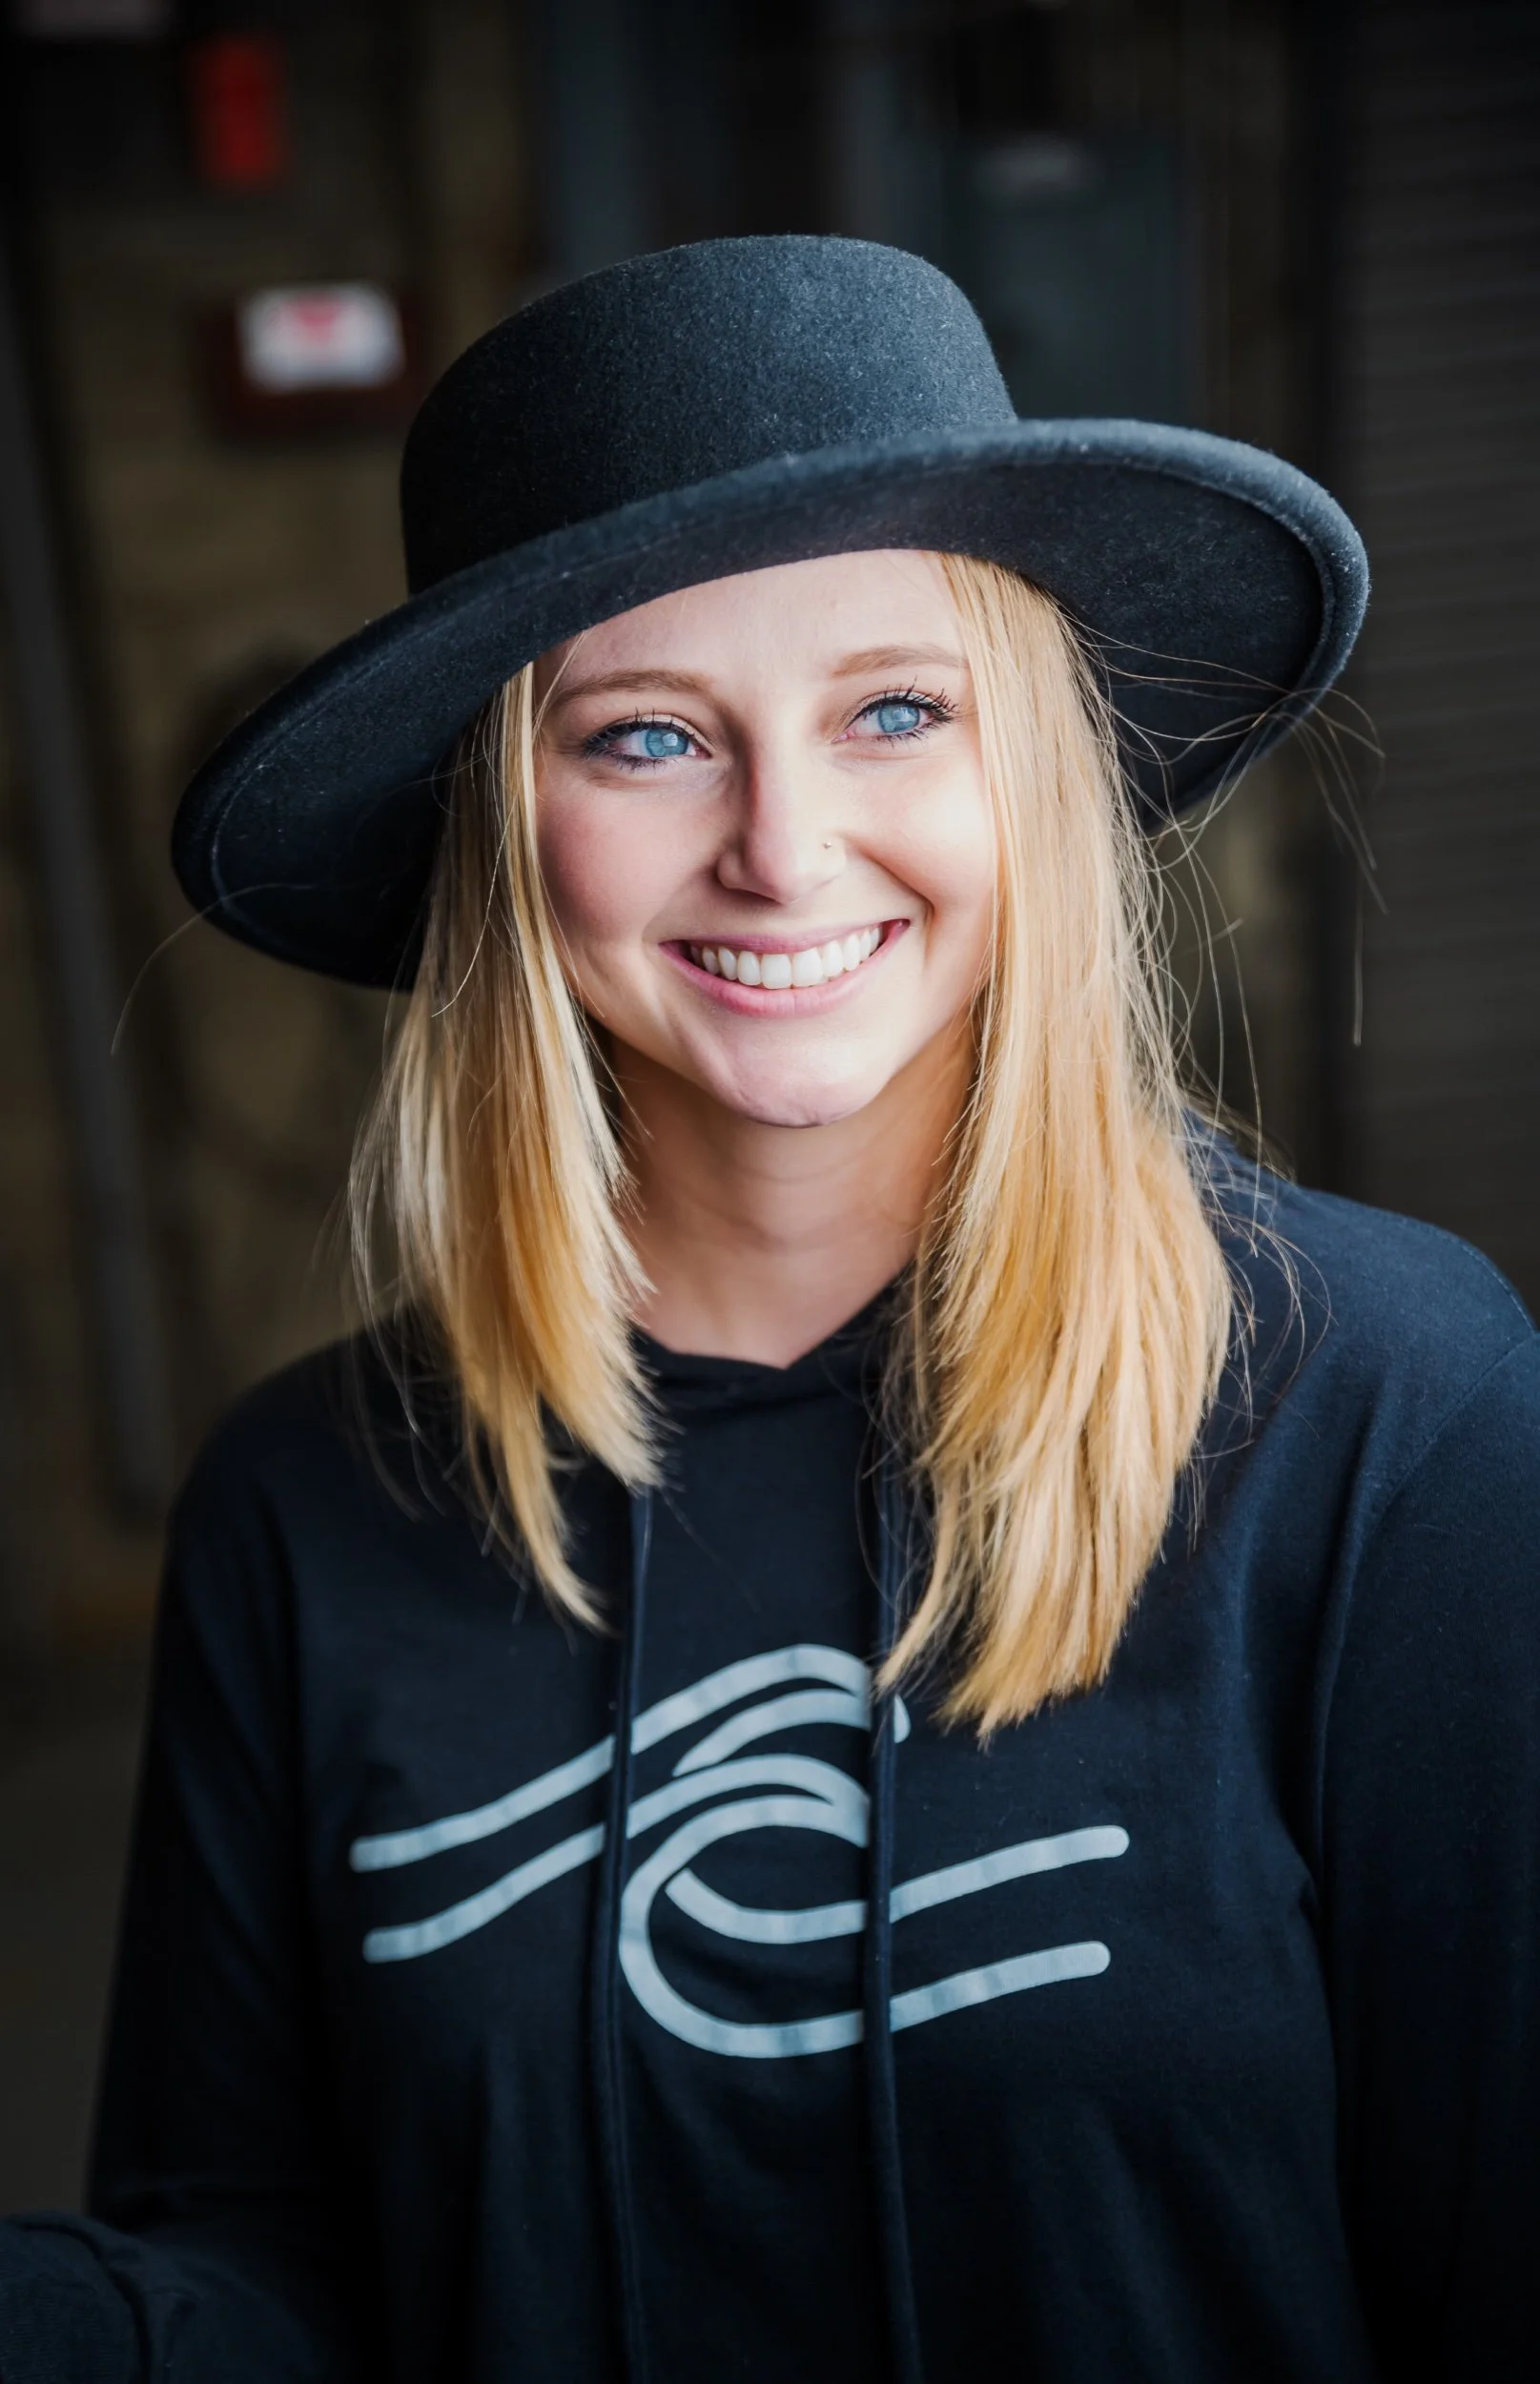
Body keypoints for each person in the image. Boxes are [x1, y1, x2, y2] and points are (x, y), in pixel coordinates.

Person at [3, 236, 1536, 2384]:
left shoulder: (1389, 1407)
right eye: (645, 737)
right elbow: (275, 2264)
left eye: (893, 711)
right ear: (505, 829)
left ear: (1032, 770)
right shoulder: (305, 1508)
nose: (784, 848)